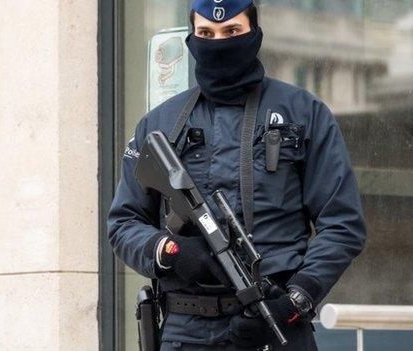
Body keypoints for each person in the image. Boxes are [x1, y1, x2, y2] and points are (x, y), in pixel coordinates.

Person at [107, 0, 367, 350]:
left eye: (232, 32)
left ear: (254, 33)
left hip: (275, 324)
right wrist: (169, 250)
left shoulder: (304, 113)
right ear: (192, 37)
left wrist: (295, 301)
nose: (218, 42)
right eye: (206, 34)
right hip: (186, 333)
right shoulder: (160, 124)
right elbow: (124, 222)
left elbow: (342, 224)